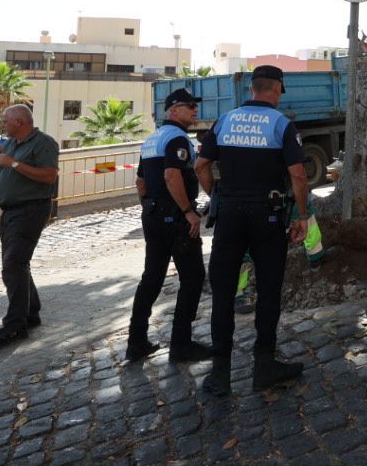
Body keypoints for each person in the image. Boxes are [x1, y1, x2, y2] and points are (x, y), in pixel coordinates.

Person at [194, 65, 311, 397]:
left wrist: (216, 194)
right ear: (276, 90)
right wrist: (302, 215)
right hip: (268, 215)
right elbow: (299, 175)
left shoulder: (225, 121)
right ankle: (264, 365)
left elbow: (200, 165)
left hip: (229, 213)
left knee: (223, 291)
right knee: (269, 288)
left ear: (251, 90)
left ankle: (220, 374)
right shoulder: (281, 125)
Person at [127, 88, 214, 364]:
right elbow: (171, 175)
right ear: (174, 111)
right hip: (176, 220)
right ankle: (181, 345)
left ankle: (136, 342)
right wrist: (187, 211)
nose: (195, 110)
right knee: (192, 277)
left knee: (151, 278)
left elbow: (141, 181)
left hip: (153, 216)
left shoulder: (152, 139)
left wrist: (150, 207)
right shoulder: (177, 138)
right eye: (190, 106)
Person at [0, 104, 60, 348]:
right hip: (9, 213)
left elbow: (50, 176)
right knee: (17, 263)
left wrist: (15, 164)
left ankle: (15, 325)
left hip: (31, 209)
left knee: (13, 264)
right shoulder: (11, 144)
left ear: (19, 122)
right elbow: (2, 179)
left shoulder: (44, 143)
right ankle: (31, 311)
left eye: (5, 120)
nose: (2, 123)